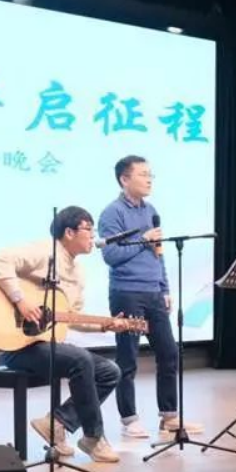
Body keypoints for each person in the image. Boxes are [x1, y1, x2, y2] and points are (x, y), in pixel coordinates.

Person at [0, 206, 129, 462]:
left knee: (110, 371)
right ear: (69, 232)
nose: (93, 235)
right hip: (17, 346)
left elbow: (70, 316)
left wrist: (105, 325)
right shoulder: (45, 251)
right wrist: (21, 301)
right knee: (80, 359)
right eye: (88, 229)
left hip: (44, 343)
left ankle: (57, 422)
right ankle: (94, 437)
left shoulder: (78, 273)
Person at [98, 156, 203, 438]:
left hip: (153, 292)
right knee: (128, 358)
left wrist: (164, 287)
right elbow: (111, 255)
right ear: (124, 179)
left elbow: (159, 253)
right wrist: (143, 240)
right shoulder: (112, 213)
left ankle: (169, 417)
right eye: (143, 174)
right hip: (126, 292)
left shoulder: (151, 210)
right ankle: (129, 419)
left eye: (150, 175)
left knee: (169, 353)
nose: (149, 180)